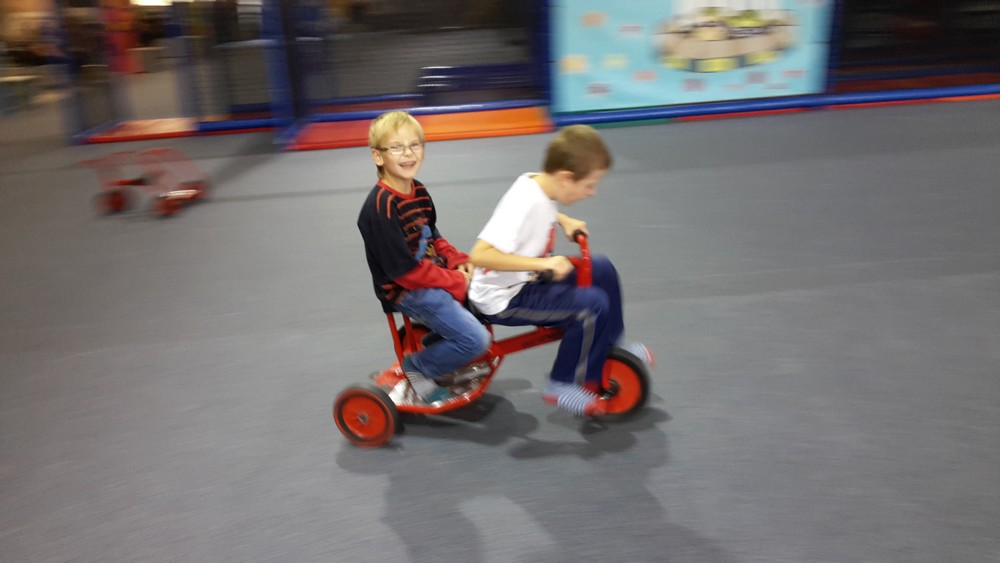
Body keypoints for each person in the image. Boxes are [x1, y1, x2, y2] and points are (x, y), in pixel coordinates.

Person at [468, 124, 652, 417]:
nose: (592, 193)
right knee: (591, 306)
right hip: (504, 298)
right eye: (589, 185)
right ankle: (562, 383)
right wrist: (543, 264)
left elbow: (543, 206)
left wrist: (563, 219)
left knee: (602, 269)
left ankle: (611, 344)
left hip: (526, 281)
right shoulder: (524, 203)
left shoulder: (537, 183)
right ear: (566, 178)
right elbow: (480, 254)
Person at [357, 111, 490, 404]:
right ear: (378, 156)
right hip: (405, 290)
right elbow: (404, 273)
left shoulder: (418, 191)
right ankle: (418, 366)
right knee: (477, 340)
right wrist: (455, 281)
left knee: (485, 295)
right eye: (396, 147)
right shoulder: (381, 208)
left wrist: (456, 260)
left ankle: (439, 342)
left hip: (430, 275)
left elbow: (432, 234)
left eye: (414, 145)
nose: (408, 153)